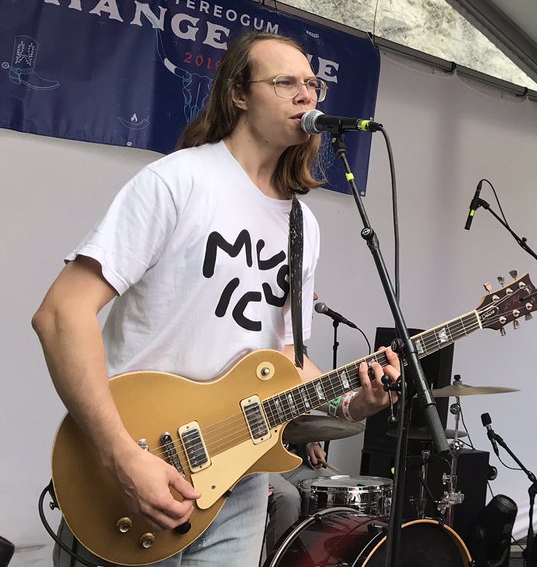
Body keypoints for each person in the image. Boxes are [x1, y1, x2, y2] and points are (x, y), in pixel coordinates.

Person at [32, 31, 402, 566]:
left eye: (311, 84)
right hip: (138, 461)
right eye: (285, 82)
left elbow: (285, 364)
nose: (306, 96)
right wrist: (121, 457)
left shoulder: (302, 224)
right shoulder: (177, 181)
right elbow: (60, 315)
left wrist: (349, 404)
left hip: (241, 485)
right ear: (238, 94)